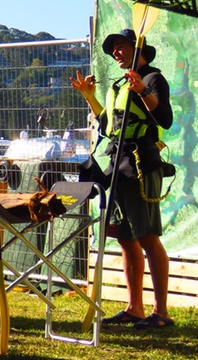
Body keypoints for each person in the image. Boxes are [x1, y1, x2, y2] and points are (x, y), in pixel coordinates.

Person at [70, 29, 174, 330]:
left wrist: (142, 90)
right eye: (112, 49)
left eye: (119, 46)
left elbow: (164, 119)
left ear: (136, 47)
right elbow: (108, 123)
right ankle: (135, 308)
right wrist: (89, 96)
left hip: (140, 164)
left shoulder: (153, 79)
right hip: (116, 164)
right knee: (126, 239)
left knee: (148, 238)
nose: (115, 52)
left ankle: (162, 312)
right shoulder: (120, 84)